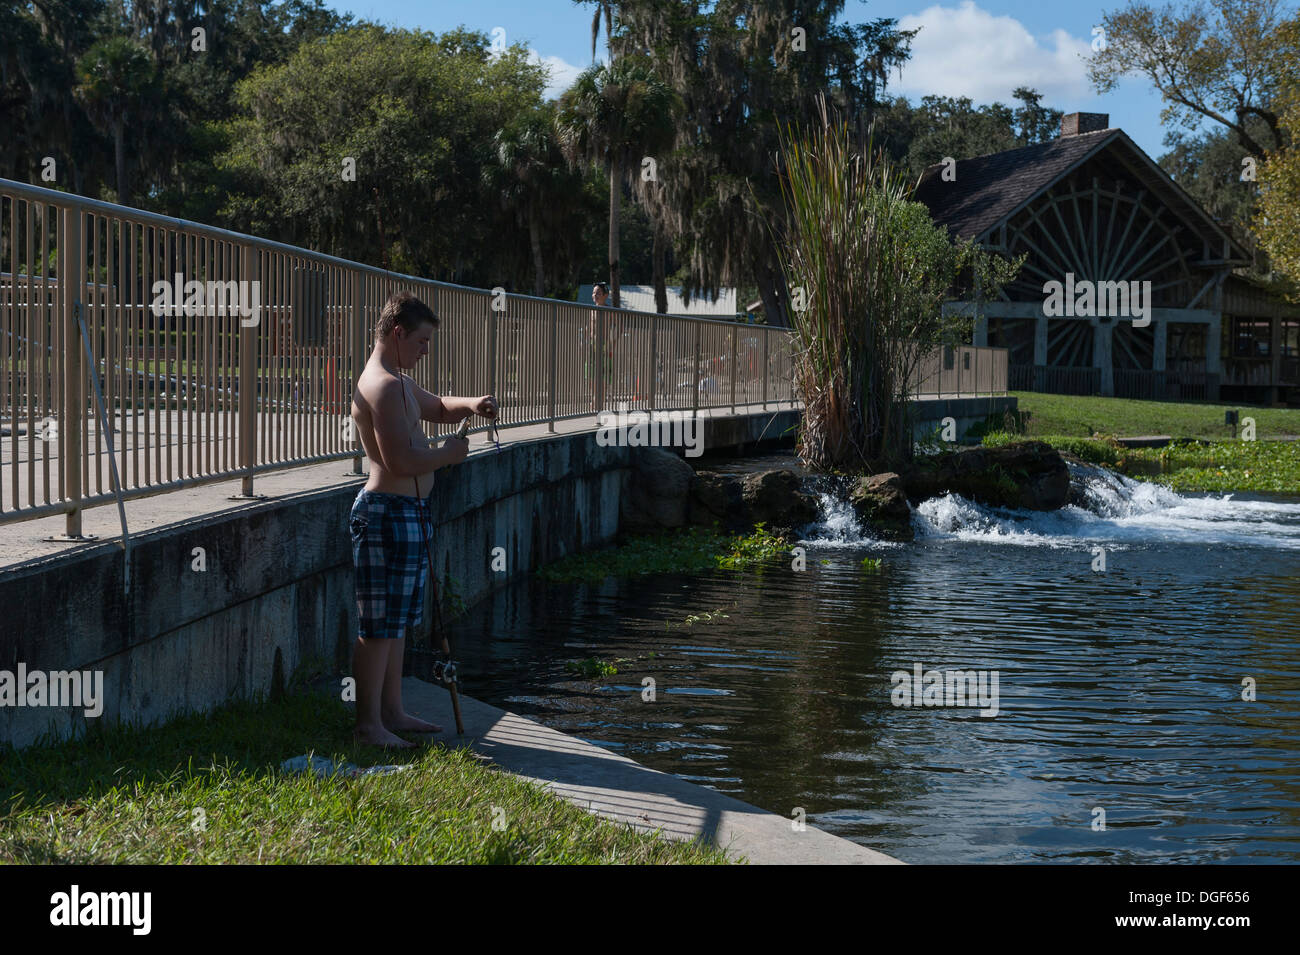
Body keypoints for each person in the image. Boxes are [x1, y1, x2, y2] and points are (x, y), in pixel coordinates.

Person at [348, 290, 497, 747]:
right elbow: (398, 461)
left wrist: (472, 404)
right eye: (422, 341)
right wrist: (448, 454)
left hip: (406, 514)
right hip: (387, 514)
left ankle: (392, 711)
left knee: (395, 624)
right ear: (397, 333)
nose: (426, 350)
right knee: (378, 627)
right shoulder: (386, 386)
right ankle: (368, 726)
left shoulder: (398, 381)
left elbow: (436, 408)